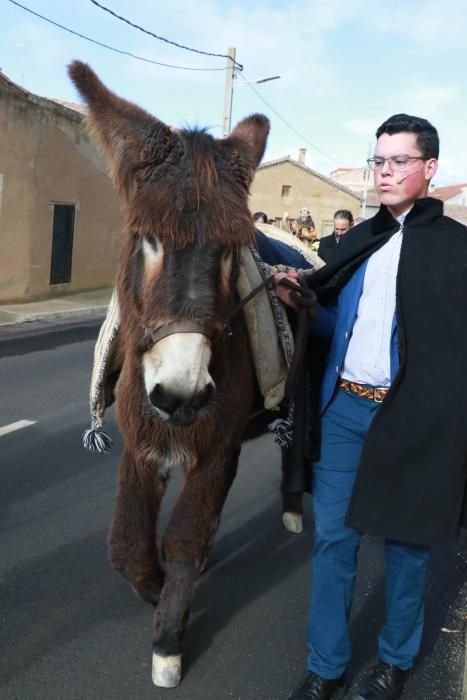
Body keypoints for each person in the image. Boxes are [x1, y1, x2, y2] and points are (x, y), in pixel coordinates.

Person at [274, 113, 467, 700]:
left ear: (428, 168)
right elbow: (342, 326)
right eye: (378, 161)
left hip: (413, 418)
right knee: (334, 541)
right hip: (346, 413)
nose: (384, 172)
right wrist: (306, 301)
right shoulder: (361, 238)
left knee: (408, 546)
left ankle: (395, 659)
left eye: (398, 161)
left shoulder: (457, 249)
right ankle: (326, 666)